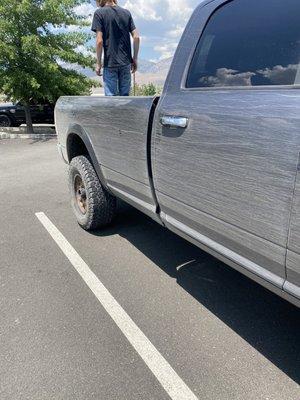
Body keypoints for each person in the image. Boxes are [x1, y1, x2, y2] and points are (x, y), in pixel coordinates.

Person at [91, 0, 140, 96]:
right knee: (125, 100)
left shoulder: (99, 13)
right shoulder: (126, 13)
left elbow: (99, 41)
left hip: (110, 63)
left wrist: (98, 64)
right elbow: (136, 37)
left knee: (111, 101)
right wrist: (134, 59)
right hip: (126, 63)